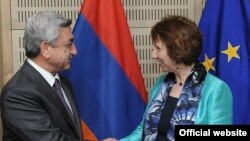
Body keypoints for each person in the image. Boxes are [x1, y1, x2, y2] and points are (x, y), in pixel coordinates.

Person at [105, 15, 233, 141]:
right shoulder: (161, 83)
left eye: (158, 48)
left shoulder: (216, 89)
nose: (153, 55)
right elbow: (144, 129)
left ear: (177, 50)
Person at [0, 11, 83, 141]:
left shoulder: (65, 83)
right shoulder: (17, 94)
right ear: (45, 49)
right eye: (68, 44)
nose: (74, 50)